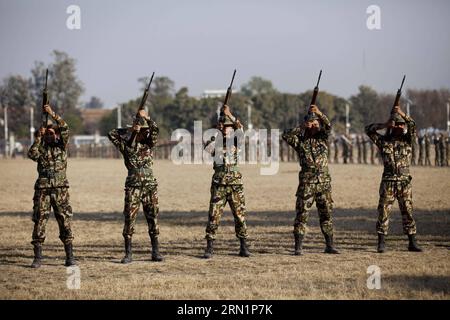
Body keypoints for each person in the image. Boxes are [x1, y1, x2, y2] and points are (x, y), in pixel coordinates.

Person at [108, 109, 163, 263]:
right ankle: (128, 253)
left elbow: (155, 131)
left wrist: (147, 118)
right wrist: (131, 129)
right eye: (142, 129)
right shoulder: (125, 145)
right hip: (133, 186)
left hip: (150, 186)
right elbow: (111, 134)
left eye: (145, 130)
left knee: (153, 218)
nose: (144, 132)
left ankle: (155, 251)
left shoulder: (149, 143)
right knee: (129, 219)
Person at [282, 105, 339, 255]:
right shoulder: (300, 141)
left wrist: (319, 113)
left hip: (324, 184)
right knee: (302, 216)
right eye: (311, 123)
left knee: (326, 215)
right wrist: (301, 126)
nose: (314, 125)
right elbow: (285, 135)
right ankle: (298, 247)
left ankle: (329, 245)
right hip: (307, 184)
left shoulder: (323, 138)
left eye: (316, 123)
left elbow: (328, 126)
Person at [365, 105, 422, 253]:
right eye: (397, 124)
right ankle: (381, 243)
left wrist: (402, 113)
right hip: (388, 183)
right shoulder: (384, 141)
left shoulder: (408, 140)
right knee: (383, 212)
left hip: (404, 182)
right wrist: (384, 124)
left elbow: (413, 125)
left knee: (408, 212)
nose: (400, 126)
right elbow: (368, 130)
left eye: (401, 124)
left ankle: (412, 242)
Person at [27, 104, 75, 268]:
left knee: (64, 220)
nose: (50, 135)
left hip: (60, 190)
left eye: (52, 133)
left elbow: (65, 127)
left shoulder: (62, 146)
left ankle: (69, 256)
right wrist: (38, 138)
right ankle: (38, 257)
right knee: (40, 220)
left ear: (56, 135)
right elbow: (32, 154)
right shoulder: (41, 148)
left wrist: (52, 114)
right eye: (47, 133)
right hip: (43, 190)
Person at [203, 104, 250, 259]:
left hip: (235, 185)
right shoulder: (215, 142)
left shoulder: (237, 141)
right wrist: (216, 132)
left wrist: (230, 115)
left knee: (240, 216)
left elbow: (241, 129)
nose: (225, 129)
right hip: (219, 185)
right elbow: (207, 148)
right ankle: (209, 247)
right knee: (213, 216)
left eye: (228, 126)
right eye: (223, 126)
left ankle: (243, 246)